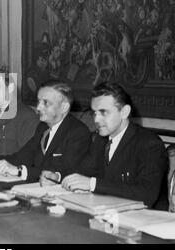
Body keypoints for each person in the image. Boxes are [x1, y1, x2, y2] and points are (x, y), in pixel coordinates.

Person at [62, 82, 168, 210]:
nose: (96, 120)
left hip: (145, 220)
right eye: (94, 113)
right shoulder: (100, 140)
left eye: (103, 112)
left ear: (124, 112)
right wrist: (59, 178)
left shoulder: (149, 143)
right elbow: (84, 172)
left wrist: (92, 184)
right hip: (109, 213)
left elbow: (147, 194)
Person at [0, 80, 91, 183]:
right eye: (38, 102)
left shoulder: (78, 132)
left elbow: (61, 172)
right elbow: (22, 157)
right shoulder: (43, 127)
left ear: (64, 107)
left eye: (45, 103)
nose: (38, 108)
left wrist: (20, 171)